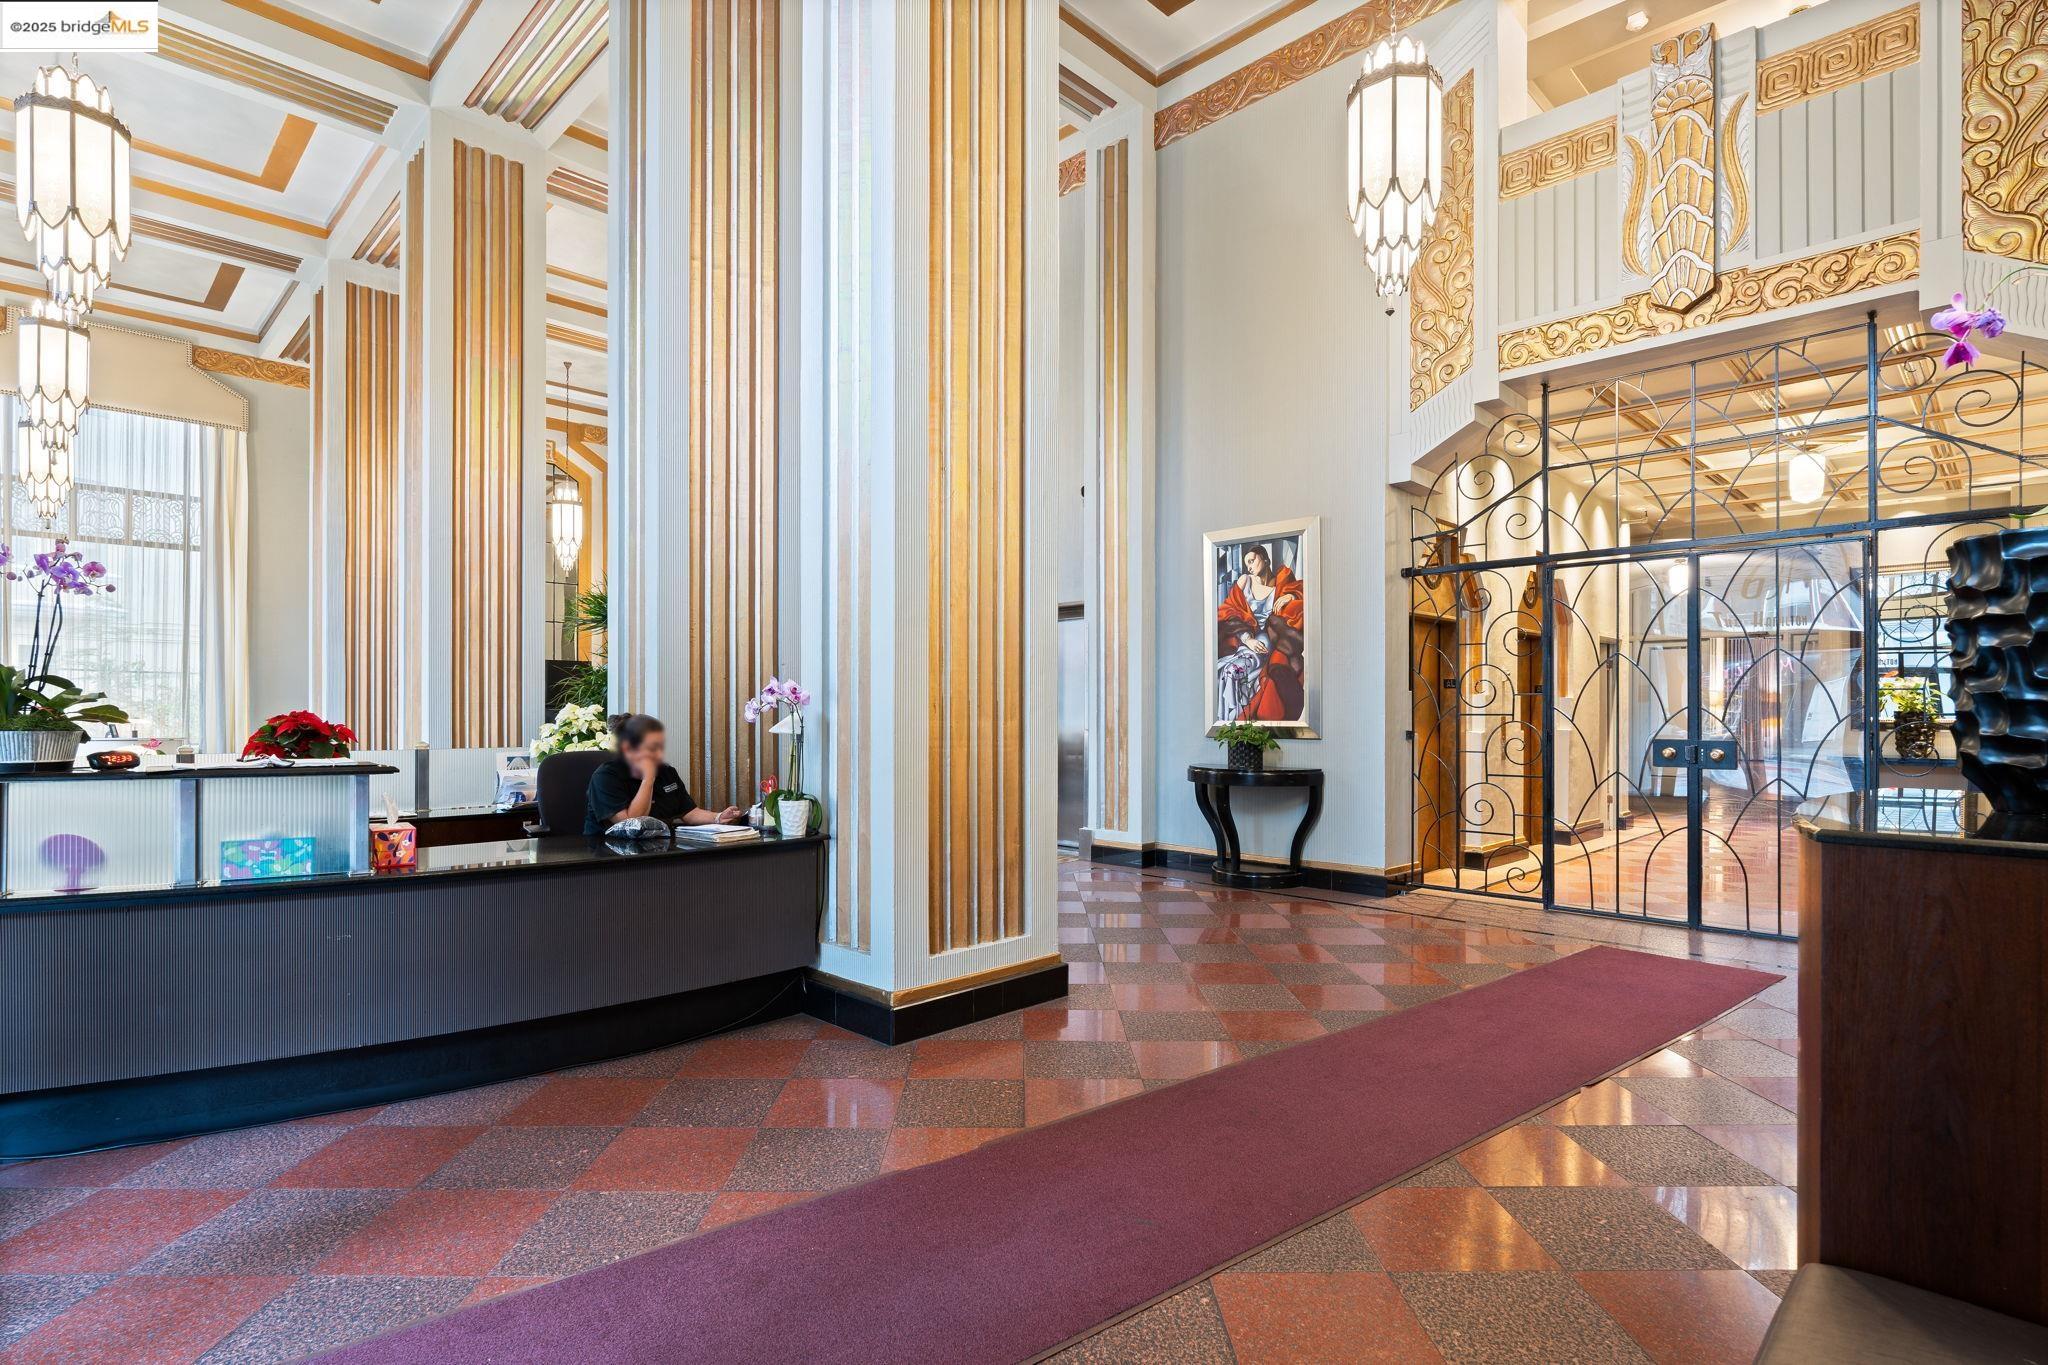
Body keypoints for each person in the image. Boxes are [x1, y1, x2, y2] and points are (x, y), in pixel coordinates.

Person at [584, 713, 743, 835]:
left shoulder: (666, 772)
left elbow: (688, 812)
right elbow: (631, 825)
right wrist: (648, 780)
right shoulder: (605, 777)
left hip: (659, 848)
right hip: (611, 856)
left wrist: (718, 817)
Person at [1215, 542, 1306, 723]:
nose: (1249, 566)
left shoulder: (1282, 579)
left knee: (1233, 671)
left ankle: (1239, 721)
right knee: (1222, 670)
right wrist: (1247, 639)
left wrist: (1291, 596)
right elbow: (1228, 610)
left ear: (1264, 558)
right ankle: (1226, 722)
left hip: (1266, 637)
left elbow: (1305, 591)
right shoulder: (1245, 581)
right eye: (1246, 563)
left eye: (1252, 560)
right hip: (1243, 637)